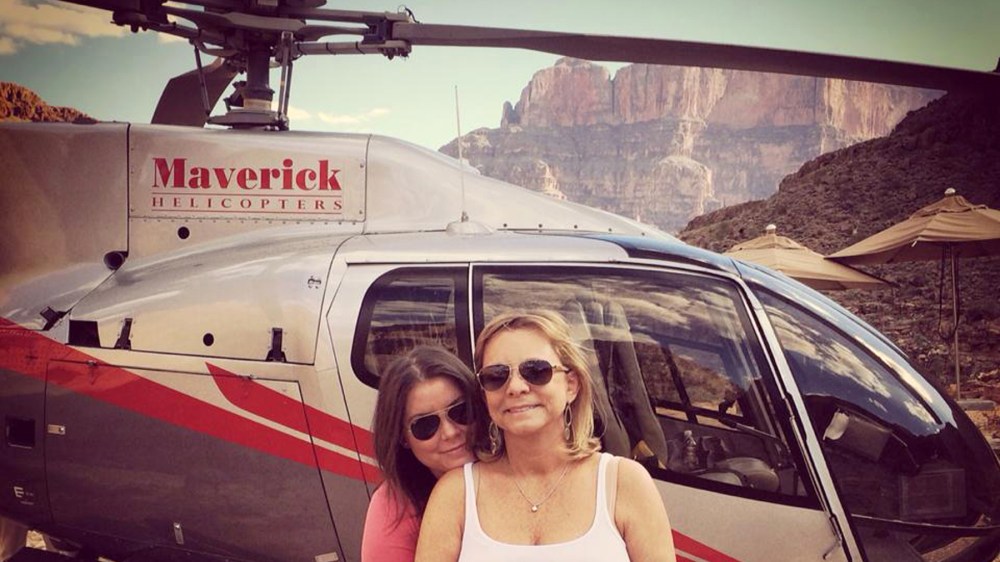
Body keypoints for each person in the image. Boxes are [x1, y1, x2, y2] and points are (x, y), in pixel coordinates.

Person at [415, 311, 676, 562]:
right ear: (485, 394)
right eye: (497, 376)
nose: (516, 387)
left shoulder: (625, 483)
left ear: (571, 385)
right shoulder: (455, 493)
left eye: (536, 371)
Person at [361, 346, 485, 562]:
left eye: (460, 411)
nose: (450, 432)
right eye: (425, 425)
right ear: (402, 438)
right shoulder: (394, 509)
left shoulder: (514, 468)